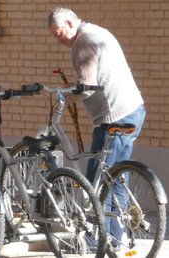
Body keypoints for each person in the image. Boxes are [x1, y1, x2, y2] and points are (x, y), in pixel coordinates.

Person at [46, 7, 146, 250]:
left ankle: (104, 239)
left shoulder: (83, 43)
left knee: (101, 180)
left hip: (116, 116)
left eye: (59, 33)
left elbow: (87, 88)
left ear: (70, 23)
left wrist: (65, 95)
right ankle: (108, 237)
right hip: (128, 111)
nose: (58, 39)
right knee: (110, 177)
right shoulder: (96, 32)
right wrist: (75, 88)